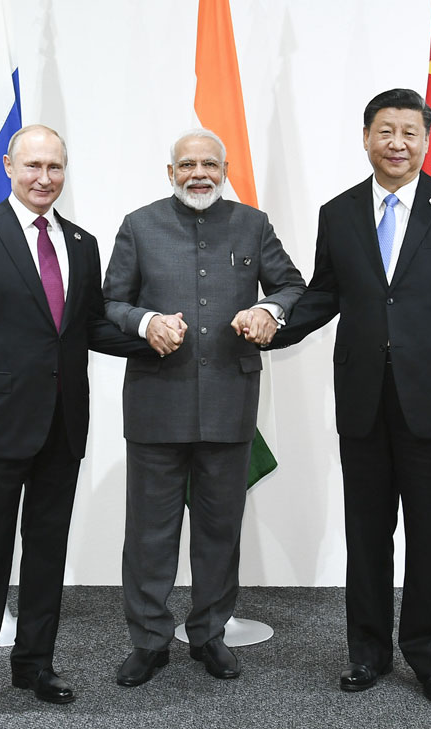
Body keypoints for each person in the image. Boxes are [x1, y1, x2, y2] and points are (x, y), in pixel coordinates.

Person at [270, 89, 431, 704]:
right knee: (367, 533)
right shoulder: (339, 212)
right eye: (385, 131)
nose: (397, 143)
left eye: (409, 132)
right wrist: (271, 325)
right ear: (366, 137)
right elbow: (323, 295)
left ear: (425, 141)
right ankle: (367, 654)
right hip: (365, 399)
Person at [0, 125, 165, 724]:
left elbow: (87, 329)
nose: (44, 178)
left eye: (55, 167)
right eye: (33, 165)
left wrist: (148, 332)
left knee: (45, 553)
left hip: (61, 426)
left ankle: (34, 664)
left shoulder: (81, 244)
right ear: (9, 165)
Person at [102, 129, 305, 686]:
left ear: (224, 168)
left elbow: (293, 285)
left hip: (229, 404)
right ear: (170, 173)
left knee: (220, 530)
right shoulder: (139, 225)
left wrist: (269, 308)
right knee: (150, 534)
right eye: (187, 164)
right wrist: (144, 323)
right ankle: (149, 640)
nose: (199, 173)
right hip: (155, 403)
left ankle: (209, 635)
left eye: (209, 164)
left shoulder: (252, 224)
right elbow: (109, 302)